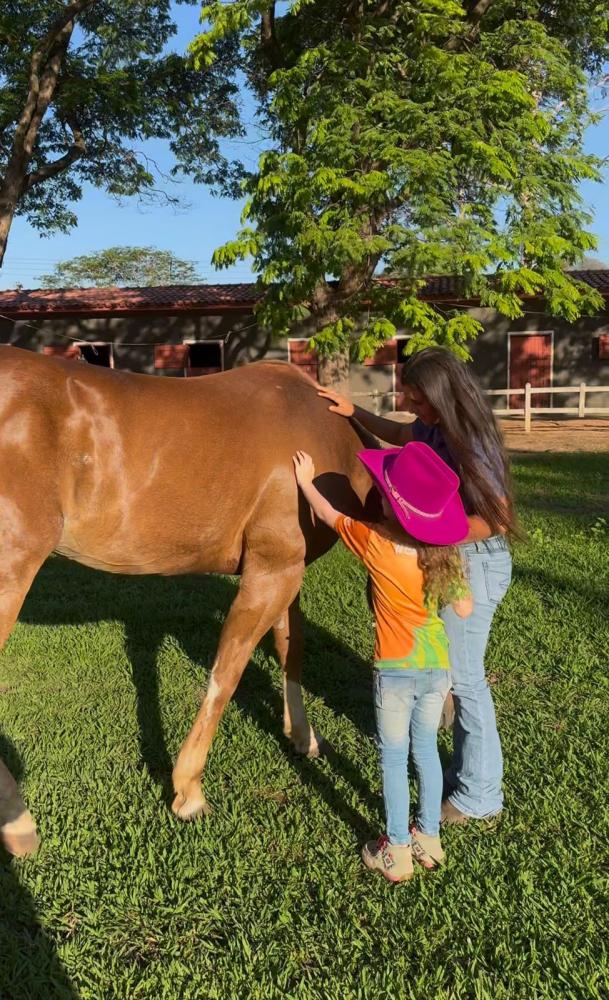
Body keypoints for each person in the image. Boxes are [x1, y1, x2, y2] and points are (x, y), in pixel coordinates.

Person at [318, 346, 515, 824]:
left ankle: (479, 796)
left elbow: (499, 519)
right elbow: (401, 432)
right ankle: (463, 770)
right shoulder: (431, 426)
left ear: (445, 399)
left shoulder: (470, 441)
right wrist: (354, 412)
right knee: (452, 673)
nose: (413, 410)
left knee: (467, 681)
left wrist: (431, 531)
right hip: (450, 557)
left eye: (421, 402)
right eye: (409, 398)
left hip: (475, 561)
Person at [293, 441, 471, 883]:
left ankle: (395, 850)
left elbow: (331, 516)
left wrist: (305, 481)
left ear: (392, 505)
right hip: (436, 670)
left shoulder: (375, 543)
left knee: (393, 759)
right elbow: (465, 610)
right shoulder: (443, 555)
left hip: (395, 670)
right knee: (426, 751)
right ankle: (428, 839)